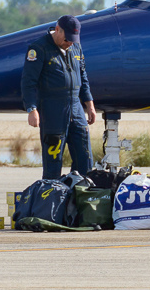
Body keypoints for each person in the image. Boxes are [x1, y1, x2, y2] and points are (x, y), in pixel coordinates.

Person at [21, 14, 97, 180]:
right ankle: (51, 199)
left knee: (85, 159)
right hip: (52, 111)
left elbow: (83, 76)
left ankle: (80, 199)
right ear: (57, 30)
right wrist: (32, 109)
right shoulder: (38, 49)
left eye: (73, 39)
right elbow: (28, 82)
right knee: (53, 163)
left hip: (76, 109)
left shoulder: (76, 47)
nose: (69, 43)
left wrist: (89, 104)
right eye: (67, 38)